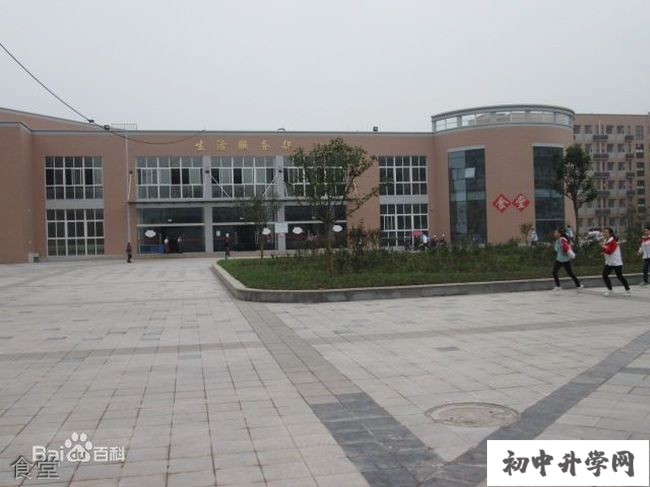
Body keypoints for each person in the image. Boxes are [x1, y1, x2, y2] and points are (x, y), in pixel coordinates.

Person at [601, 227, 631, 296]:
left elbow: (610, 251)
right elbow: (607, 250)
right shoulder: (606, 241)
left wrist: (603, 247)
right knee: (604, 275)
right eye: (604, 232)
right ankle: (610, 290)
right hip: (609, 262)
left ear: (610, 234)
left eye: (606, 232)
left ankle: (628, 290)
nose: (604, 233)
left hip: (616, 262)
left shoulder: (613, 241)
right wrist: (604, 251)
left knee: (619, 276)